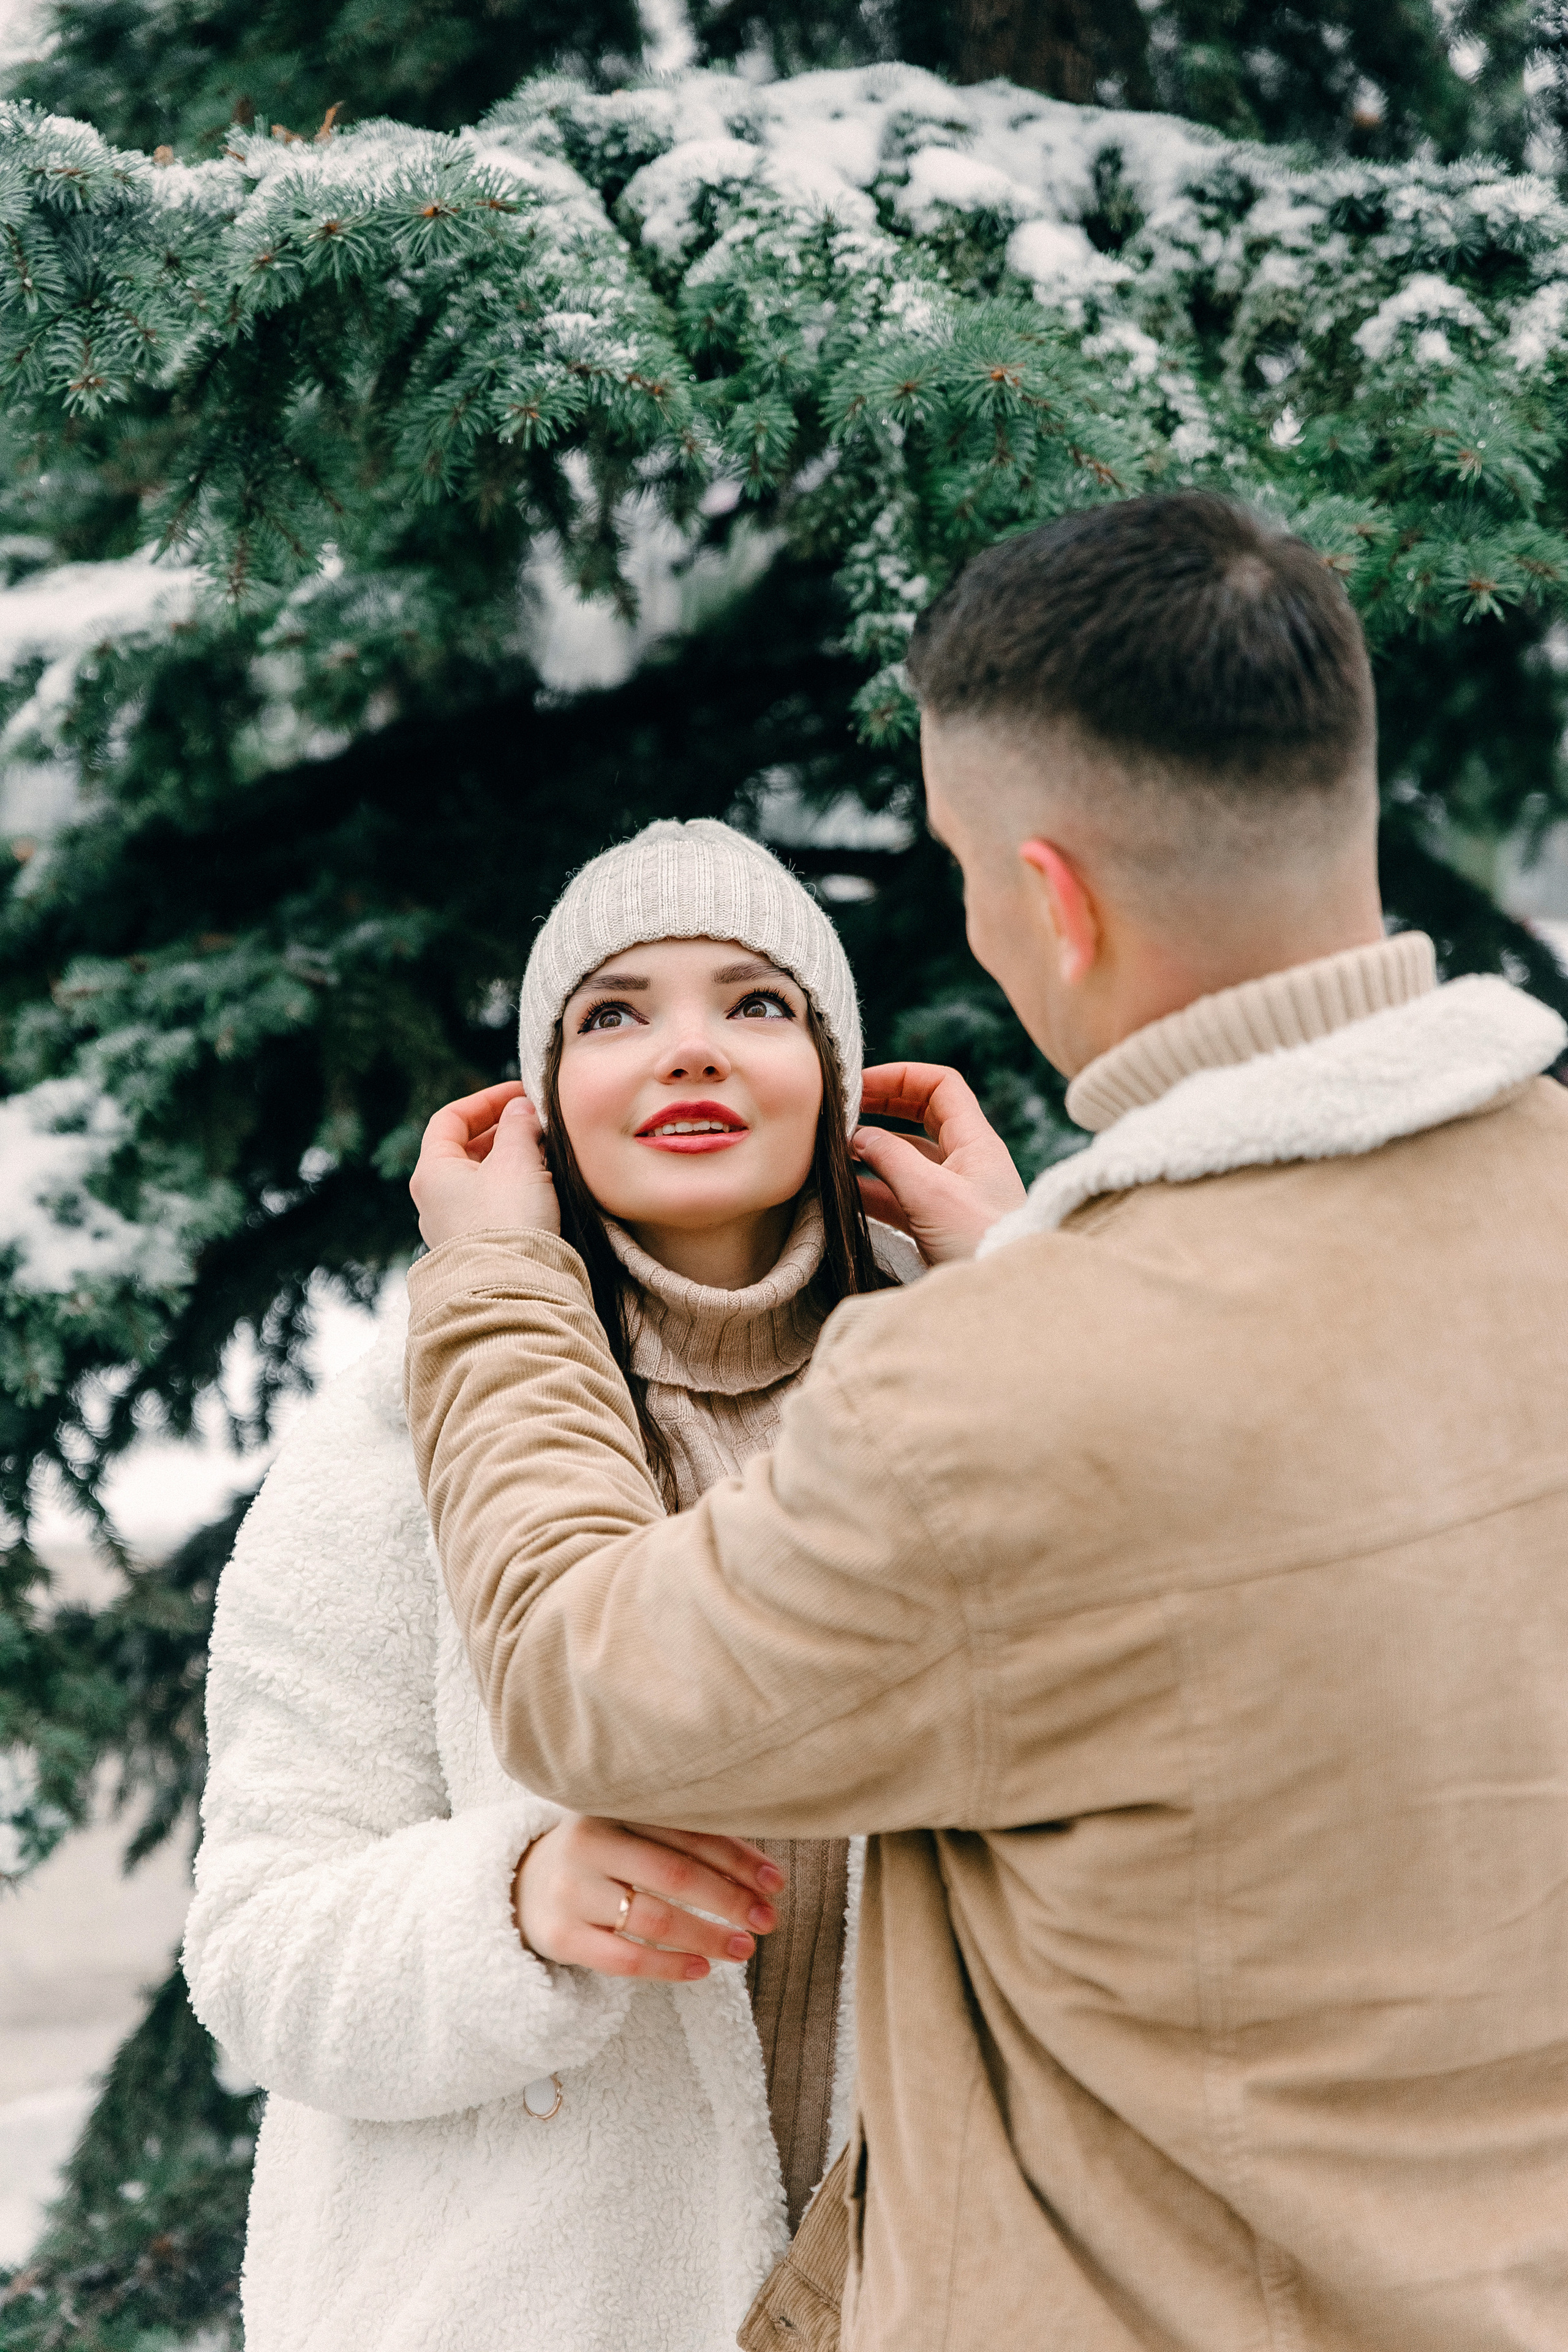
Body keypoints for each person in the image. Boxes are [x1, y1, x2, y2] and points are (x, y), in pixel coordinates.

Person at [404, 491, 1568, 2352]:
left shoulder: (997, 1380)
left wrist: (490, 1287)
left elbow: (576, 1676)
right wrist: (1036, 1270)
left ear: (1051, 896)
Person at [181, 818, 979, 2352]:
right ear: (539, 1107)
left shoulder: (978, 1393)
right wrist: (510, 1905)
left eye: (755, 1002)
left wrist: (1017, 1288)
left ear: (837, 1078)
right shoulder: (398, 1434)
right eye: (615, 1013)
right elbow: (259, 1947)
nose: (690, 1048)